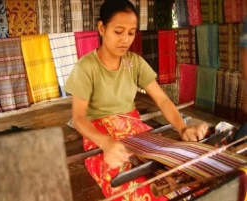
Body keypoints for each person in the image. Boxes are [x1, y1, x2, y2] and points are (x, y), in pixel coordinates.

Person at [64, 0, 208, 200]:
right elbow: (79, 118)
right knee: (136, 184)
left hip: (133, 127)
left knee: (180, 171)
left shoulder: (135, 63)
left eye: (131, 33)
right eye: (118, 31)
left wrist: (182, 127)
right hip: (98, 135)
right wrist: (106, 144)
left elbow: (162, 100)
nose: (125, 39)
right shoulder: (86, 67)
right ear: (101, 28)